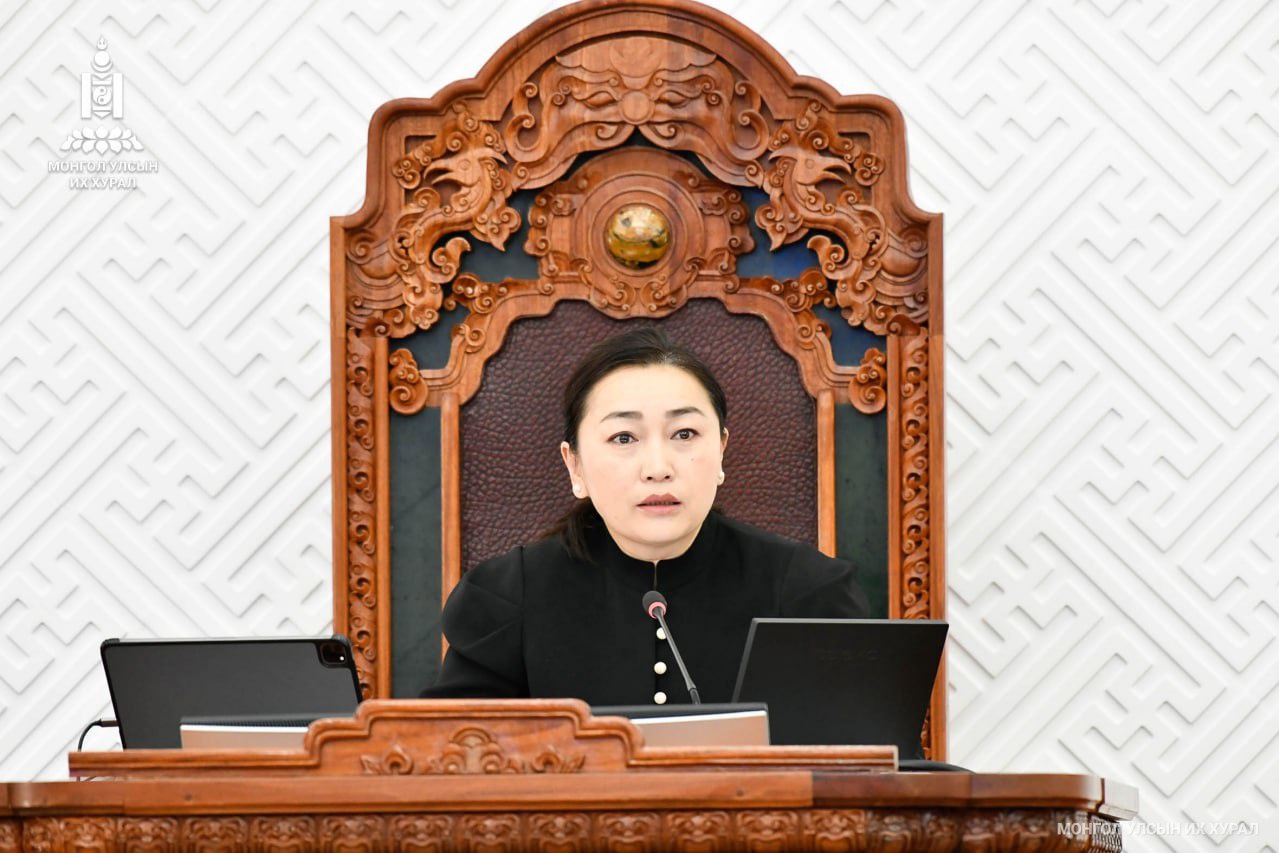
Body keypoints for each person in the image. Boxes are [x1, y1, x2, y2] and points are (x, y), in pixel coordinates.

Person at [424, 329, 868, 704]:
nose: (658, 467)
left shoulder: (809, 594)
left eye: (685, 433)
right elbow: (451, 760)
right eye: (624, 437)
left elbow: (867, 759)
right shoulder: (505, 598)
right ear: (574, 466)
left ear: (721, 451)